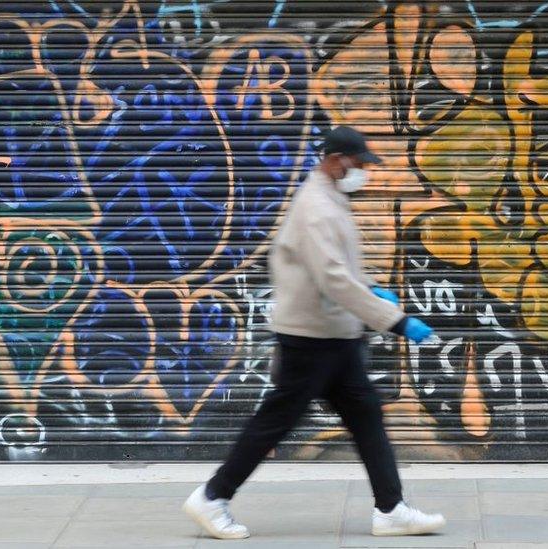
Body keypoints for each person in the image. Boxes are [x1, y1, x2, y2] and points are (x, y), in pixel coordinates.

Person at [182, 126, 445, 539]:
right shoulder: (316, 207)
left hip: (335, 336)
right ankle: (212, 497)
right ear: (338, 159)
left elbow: (337, 269)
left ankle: (391, 508)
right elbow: (333, 279)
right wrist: (393, 319)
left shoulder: (330, 198)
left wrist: (370, 289)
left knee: (366, 417)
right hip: (311, 340)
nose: (363, 172)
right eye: (359, 164)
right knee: (276, 422)